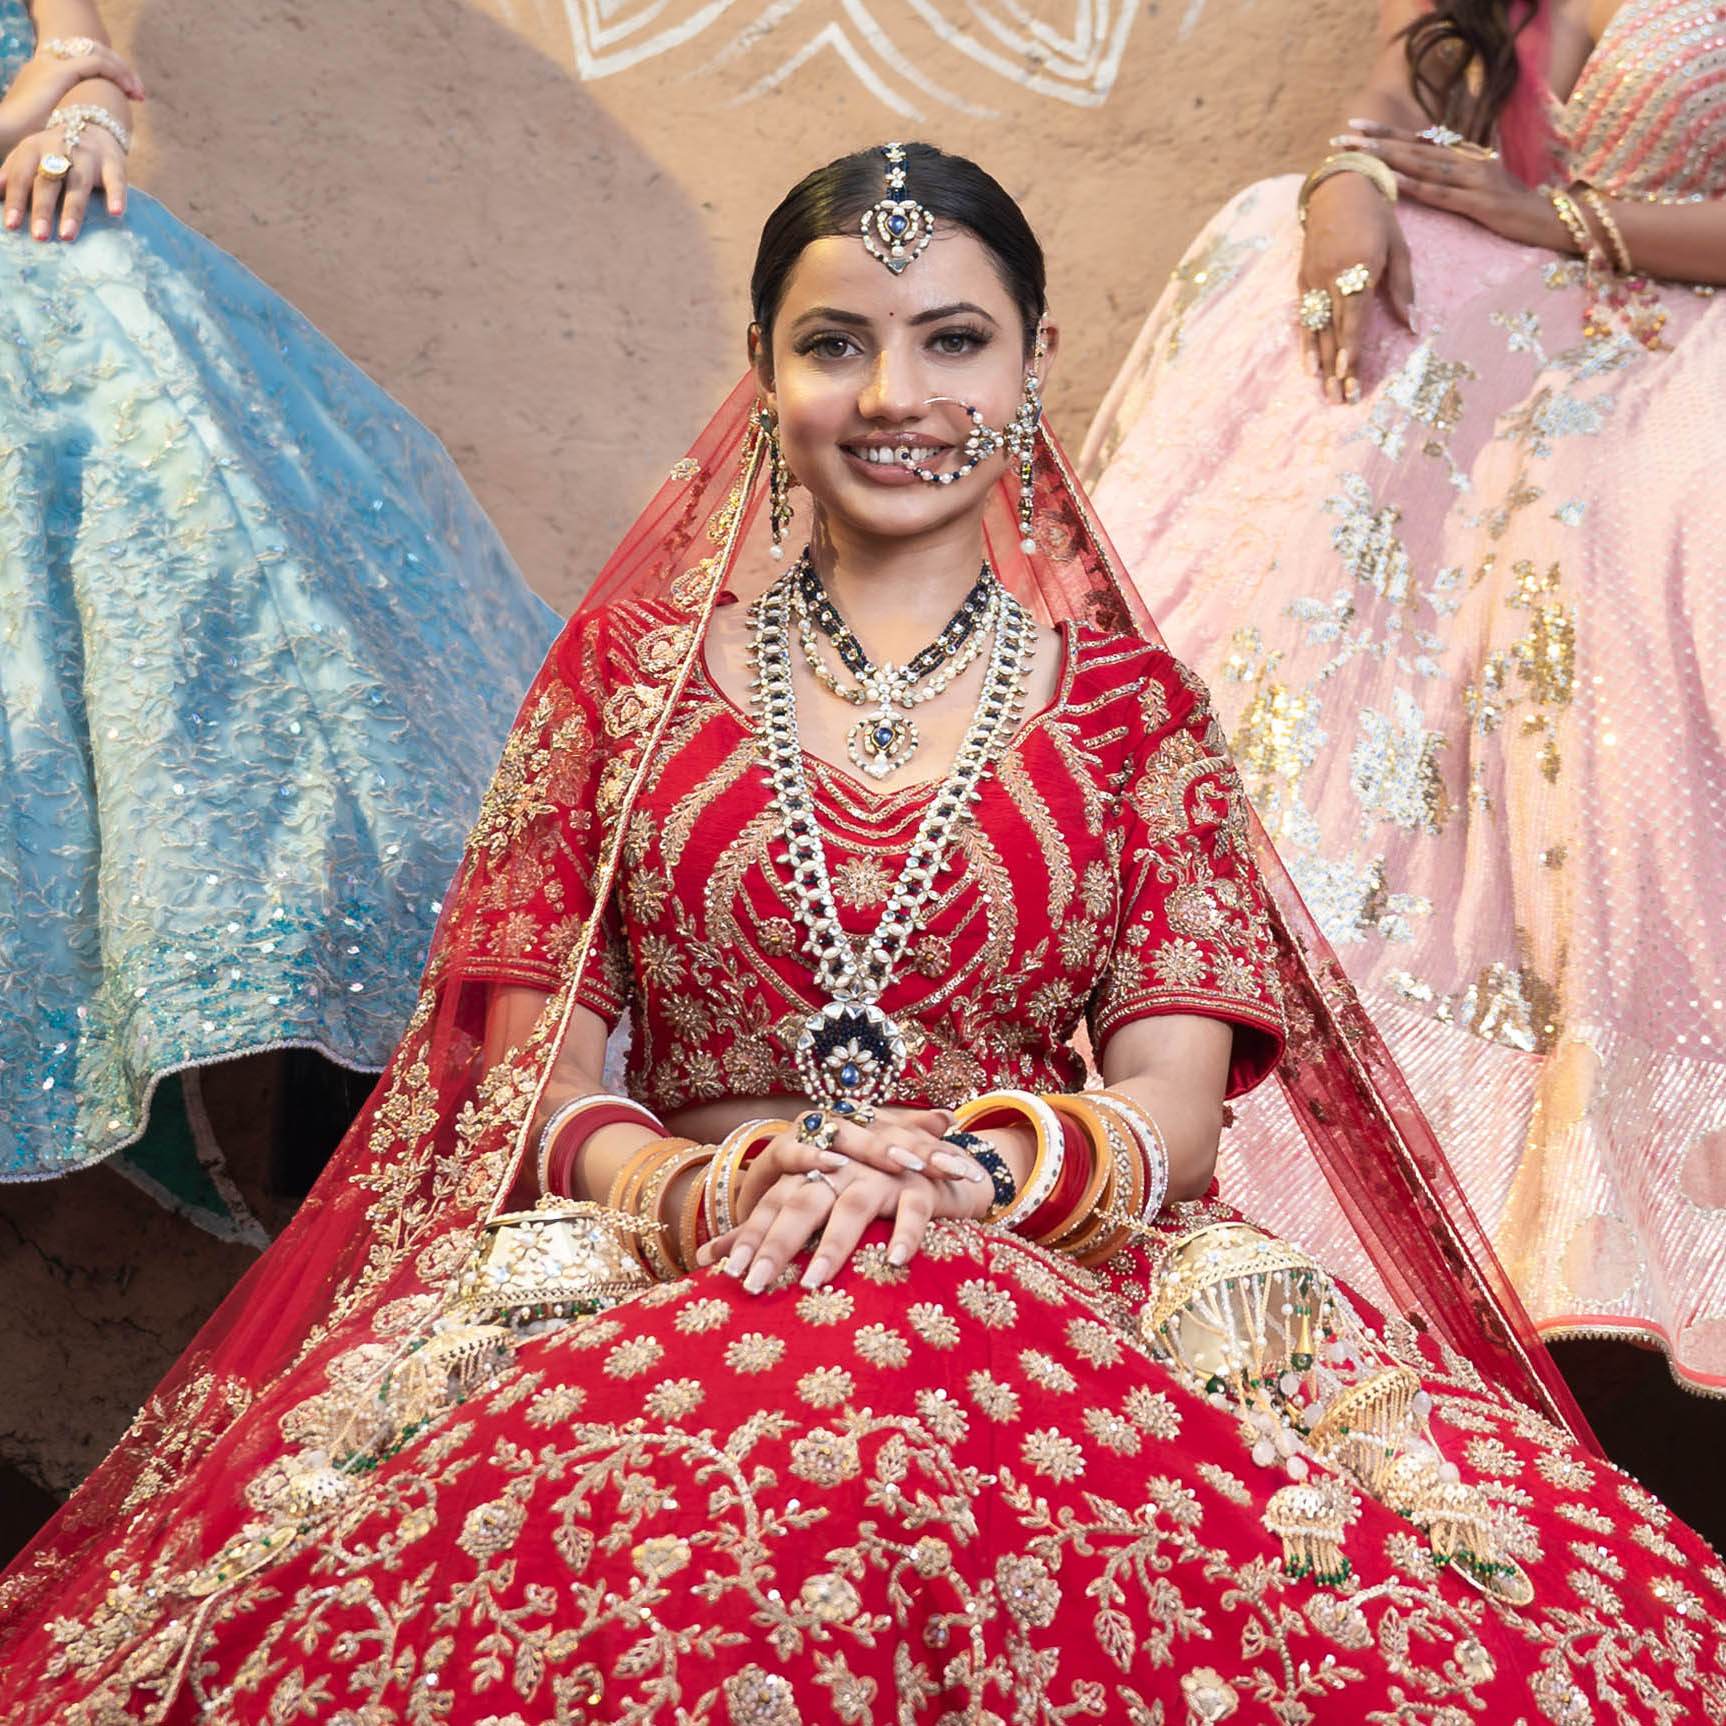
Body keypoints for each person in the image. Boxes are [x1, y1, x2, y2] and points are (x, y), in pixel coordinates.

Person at [3, 142, 1722, 1724]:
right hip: (674, 1262)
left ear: (1035, 362)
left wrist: (968, 1176)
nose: (897, 396)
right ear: (764, 370)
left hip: (1047, 1262)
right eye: (837, 343)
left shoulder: (1132, 712)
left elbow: (1177, 1112)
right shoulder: (631, 686)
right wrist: (703, 1188)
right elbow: (534, 1073)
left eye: (954, 342)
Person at [1082, 0, 1726, 1390]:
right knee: (1279, 259)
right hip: (1504, 282)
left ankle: (1565, 1165)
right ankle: (1180, 985)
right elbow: (1394, 106)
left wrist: (1564, 226)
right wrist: (1346, 191)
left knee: (1633, 526)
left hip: (1682, 333)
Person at [0, 1, 559, 1225]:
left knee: (318, 709)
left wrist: (83, 105)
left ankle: (359, 1290)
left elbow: (71, 40)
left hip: (65, 266)